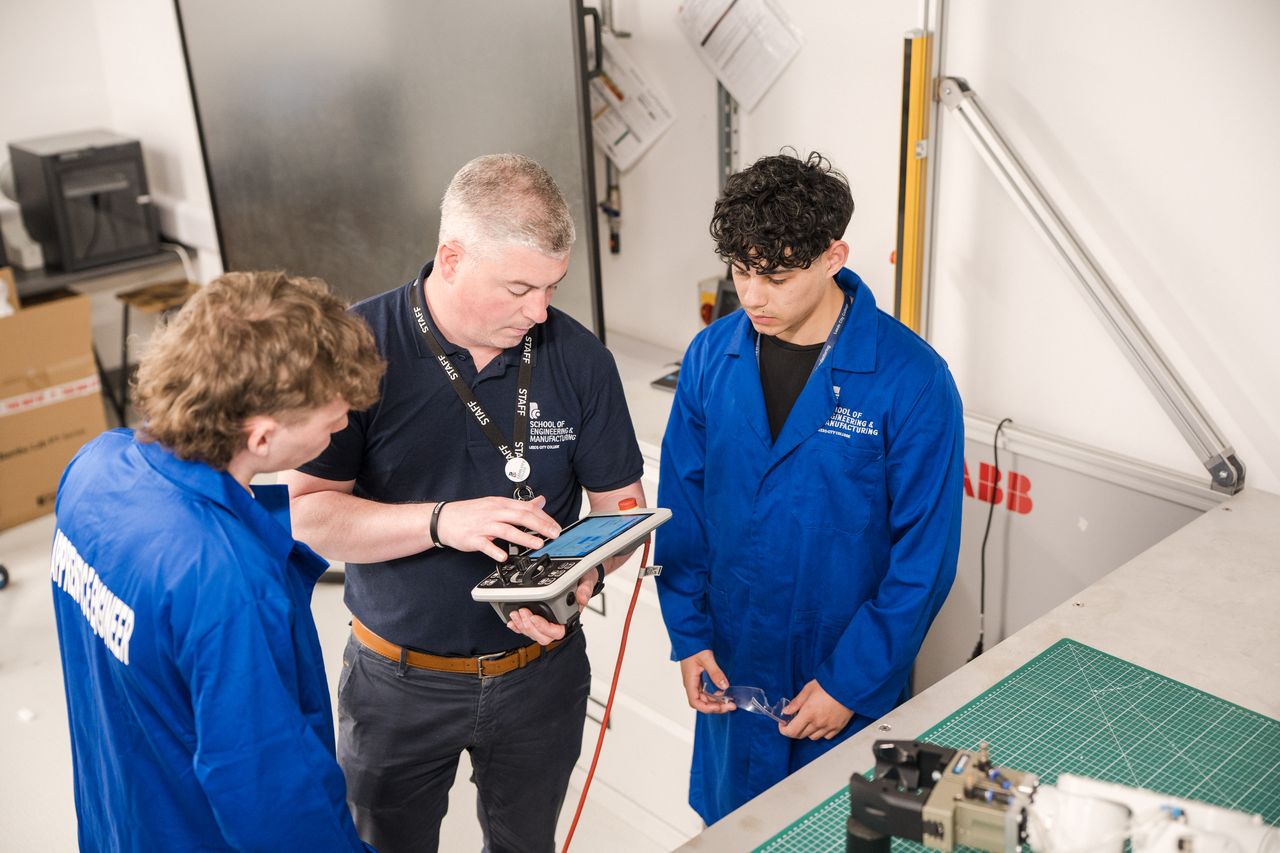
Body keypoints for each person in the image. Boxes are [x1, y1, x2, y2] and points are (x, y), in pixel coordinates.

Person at [280, 153, 645, 853]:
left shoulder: (577, 357)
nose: (538, 309)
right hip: (397, 684)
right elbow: (307, 511)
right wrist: (445, 522)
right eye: (518, 287)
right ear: (451, 259)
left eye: (550, 287)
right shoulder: (359, 348)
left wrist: (577, 579)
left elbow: (620, 509)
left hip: (540, 676)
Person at [655, 151, 965, 824]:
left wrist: (850, 682)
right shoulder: (713, 354)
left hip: (843, 680)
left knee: (832, 833)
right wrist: (689, 633)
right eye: (741, 271)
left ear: (833, 256)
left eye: (776, 275)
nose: (754, 296)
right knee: (736, 830)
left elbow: (925, 560)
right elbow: (683, 510)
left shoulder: (911, 380)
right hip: (732, 664)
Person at [50, 271, 385, 851]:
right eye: (333, 417)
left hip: (119, 813)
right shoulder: (228, 581)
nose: (342, 423)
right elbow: (269, 789)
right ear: (260, 437)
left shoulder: (92, 469)